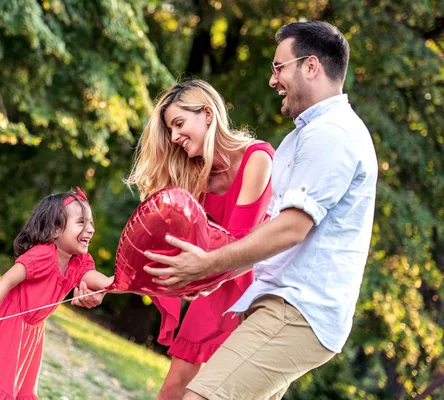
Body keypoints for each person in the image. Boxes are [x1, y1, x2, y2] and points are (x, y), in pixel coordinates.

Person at [144, 21, 378, 400]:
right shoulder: (299, 138)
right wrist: (207, 277)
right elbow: (267, 234)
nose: (273, 80)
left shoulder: (333, 133)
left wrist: (208, 264)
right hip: (277, 305)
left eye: (279, 67)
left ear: (311, 66)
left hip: (297, 309)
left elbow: (291, 229)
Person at [126, 79, 274, 399]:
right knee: (174, 385)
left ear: (207, 114)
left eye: (179, 124)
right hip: (213, 280)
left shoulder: (257, 157)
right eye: (170, 130)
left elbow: (239, 240)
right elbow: (172, 240)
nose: (175, 136)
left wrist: (197, 271)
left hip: (251, 281)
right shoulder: (195, 173)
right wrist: (123, 277)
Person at [0, 188, 114, 399]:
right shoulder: (42, 256)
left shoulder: (79, 262)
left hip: (32, 332)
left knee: (16, 391)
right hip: (8, 326)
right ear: (56, 230)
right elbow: (4, 283)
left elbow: (102, 281)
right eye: (81, 223)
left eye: (91, 223)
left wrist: (128, 280)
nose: (91, 230)